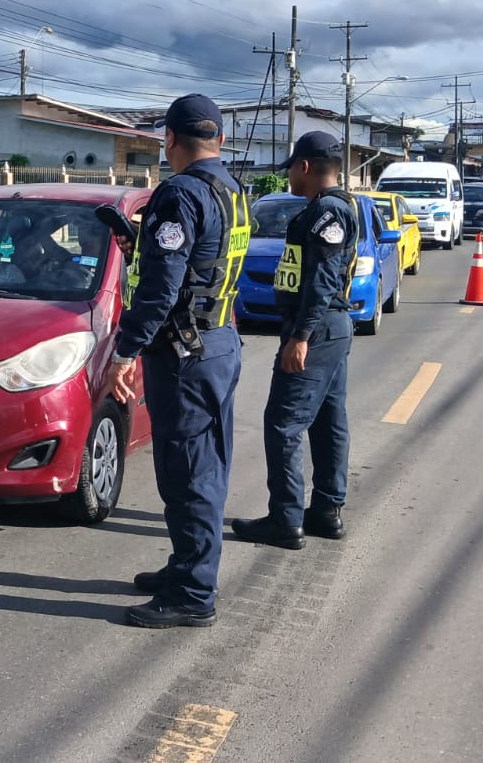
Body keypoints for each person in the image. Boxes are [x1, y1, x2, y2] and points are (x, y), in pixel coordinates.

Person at [107, 93, 250, 629]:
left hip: (186, 353)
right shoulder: (233, 190)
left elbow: (162, 287)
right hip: (217, 341)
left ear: (169, 140)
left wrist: (126, 350)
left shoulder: (179, 195)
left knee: (189, 470)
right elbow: (199, 264)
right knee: (202, 463)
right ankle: (187, 567)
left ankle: (193, 592)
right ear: (219, 140)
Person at [232, 131, 360, 551]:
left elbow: (322, 279)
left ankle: (285, 520)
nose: (288, 174)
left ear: (304, 166)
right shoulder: (331, 207)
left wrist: (300, 336)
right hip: (330, 327)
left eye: (290, 166)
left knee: (283, 424)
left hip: (318, 328)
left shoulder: (327, 211)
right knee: (326, 422)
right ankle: (325, 511)